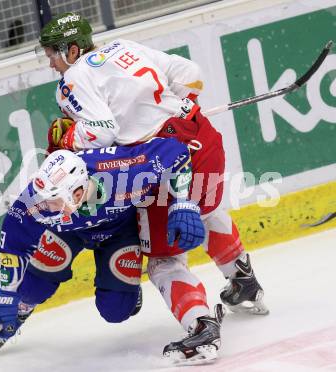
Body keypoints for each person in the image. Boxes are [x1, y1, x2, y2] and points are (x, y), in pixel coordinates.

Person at [38, 11, 269, 362]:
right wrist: (173, 109)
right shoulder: (124, 47)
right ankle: (243, 282)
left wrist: (68, 135)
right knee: (203, 208)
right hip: (201, 139)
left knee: (164, 259)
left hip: (163, 163)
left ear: (72, 50)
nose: (51, 63)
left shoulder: (73, 78)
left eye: (53, 54)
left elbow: (101, 132)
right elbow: (191, 75)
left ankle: (201, 328)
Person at [0, 137, 223, 364]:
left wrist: (182, 201)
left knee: (117, 310)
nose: (46, 207)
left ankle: (128, 291)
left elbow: (176, 151)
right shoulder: (36, 201)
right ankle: (24, 307)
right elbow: (13, 244)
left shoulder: (124, 171)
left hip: (119, 231)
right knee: (30, 289)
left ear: (78, 191)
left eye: (55, 201)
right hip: (68, 231)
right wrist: (5, 293)